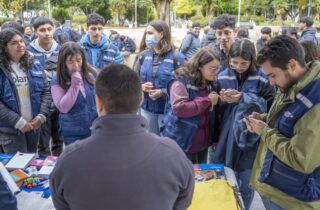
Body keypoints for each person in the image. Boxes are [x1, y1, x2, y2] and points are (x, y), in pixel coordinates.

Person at [50, 64, 194, 210]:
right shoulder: (172, 154)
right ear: (141, 99)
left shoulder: (69, 160)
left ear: (98, 102)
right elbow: (181, 203)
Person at [244, 35, 320, 210]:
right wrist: (263, 119)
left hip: (293, 200)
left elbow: (300, 158)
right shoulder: (293, 83)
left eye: (273, 76)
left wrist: (263, 131)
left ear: (292, 65)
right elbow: (291, 121)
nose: (270, 82)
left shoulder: (316, 102)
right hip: (277, 187)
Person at [211, 39, 275, 210]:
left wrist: (243, 98)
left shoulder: (262, 77)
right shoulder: (222, 76)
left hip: (251, 136)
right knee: (225, 177)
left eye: (243, 63)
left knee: (247, 180)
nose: (238, 66)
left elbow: (271, 104)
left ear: (252, 60)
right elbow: (215, 110)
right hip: (226, 135)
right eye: (234, 62)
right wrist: (222, 100)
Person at [162, 47, 220, 164]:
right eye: (212, 69)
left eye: (218, 69)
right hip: (183, 141)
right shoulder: (181, 80)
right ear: (199, 66)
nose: (216, 72)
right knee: (184, 177)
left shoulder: (210, 82)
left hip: (202, 142)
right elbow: (179, 108)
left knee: (199, 179)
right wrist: (207, 101)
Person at [0, 29, 51, 154]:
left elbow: (46, 91)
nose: (20, 45)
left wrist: (41, 116)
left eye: (21, 41)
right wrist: (18, 122)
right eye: (14, 43)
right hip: (11, 130)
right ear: (4, 47)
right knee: (17, 170)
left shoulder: (34, 64)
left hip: (34, 126)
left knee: (31, 165)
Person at [134, 20, 185, 135]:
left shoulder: (177, 58)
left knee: (164, 144)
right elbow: (133, 79)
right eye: (147, 33)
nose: (147, 36)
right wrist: (141, 86)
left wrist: (162, 92)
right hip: (146, 109)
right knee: (149, 144)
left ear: (161, 34)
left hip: (167, 111)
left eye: (151, 33)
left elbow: (183, 86)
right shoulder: (143, 56)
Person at [27, 16, 63, 156]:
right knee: (42, 144)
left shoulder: (61, 50)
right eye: (42, 30)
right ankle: (44, 175)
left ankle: (58, 171)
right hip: (40, 105)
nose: (46, 33)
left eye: (49, 29)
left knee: (59, 141)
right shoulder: (28, 52)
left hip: (60, 104)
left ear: (54, 29)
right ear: (35, 31)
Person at [51, 42, 98, 145]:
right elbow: (63, 107)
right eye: (71, 62)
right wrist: (74, 85)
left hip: (94, 128)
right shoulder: (58, 79)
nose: (76, 65)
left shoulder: (90, 74)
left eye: (78, 60)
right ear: (63, 62)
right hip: (74, 132)